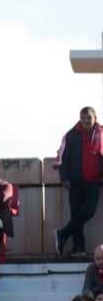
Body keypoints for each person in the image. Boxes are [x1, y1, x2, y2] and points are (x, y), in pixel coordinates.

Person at [57, 107, 103, 257]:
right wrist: (64, 178)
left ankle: (62, 235)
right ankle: (79, 247)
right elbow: (63, 158)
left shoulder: (101, 134)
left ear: (95, 118)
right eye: (83, 118)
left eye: (88, 118)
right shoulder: (71, 135)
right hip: (75, 182)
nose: (86, 121)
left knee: (88, 212)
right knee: (76, 215)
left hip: (94, 182)